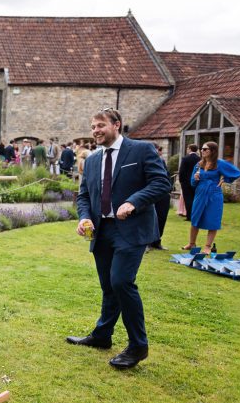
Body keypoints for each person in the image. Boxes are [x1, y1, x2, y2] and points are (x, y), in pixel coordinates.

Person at [69, 107, 171, 369]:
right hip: (102, 232)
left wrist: (134, 202)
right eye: (93, 127)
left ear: (117, 125)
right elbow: (84, 195)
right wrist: (84, 217)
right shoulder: (92, 160)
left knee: (122, 282)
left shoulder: (141, 150)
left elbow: (161, 183)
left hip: (132, 229)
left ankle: (138, 346)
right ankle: (102, 336)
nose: (96, 131)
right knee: (108, 286)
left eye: (100, 125)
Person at [182, 142, 240, 254]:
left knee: (213, 219)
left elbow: (236, 172)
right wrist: (195, 178)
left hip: (214, 194)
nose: (202, 151)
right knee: (195, 218)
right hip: (200, 193)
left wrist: (225, 179)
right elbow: (192, 183)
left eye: (205, 149)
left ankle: (207, 247)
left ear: (213, 151)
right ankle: (191, 243)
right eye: (202, 149)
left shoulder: (220, 163)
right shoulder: (198, 164)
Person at [147, 144, 171, 251]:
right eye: (158, 150)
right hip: (149, 193)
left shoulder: (161, 161)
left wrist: (168, 189)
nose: (159, 152)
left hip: (163, 194)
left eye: (160, 150)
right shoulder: (144, 161)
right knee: (150, 218)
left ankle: (157, 242)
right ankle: (147, 243)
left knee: (162, 217)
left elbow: (166, 175)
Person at [178, 144, 201, 221]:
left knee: (187, 199)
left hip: (186, 182)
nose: (187, 150)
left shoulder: (185, 158)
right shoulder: (199, 158)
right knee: (195, 198)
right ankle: (195, 215)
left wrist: (181, 180)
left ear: (190, 149)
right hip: (196, 181)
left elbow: (181, 171)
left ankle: (189, 216)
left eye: (187, 148)